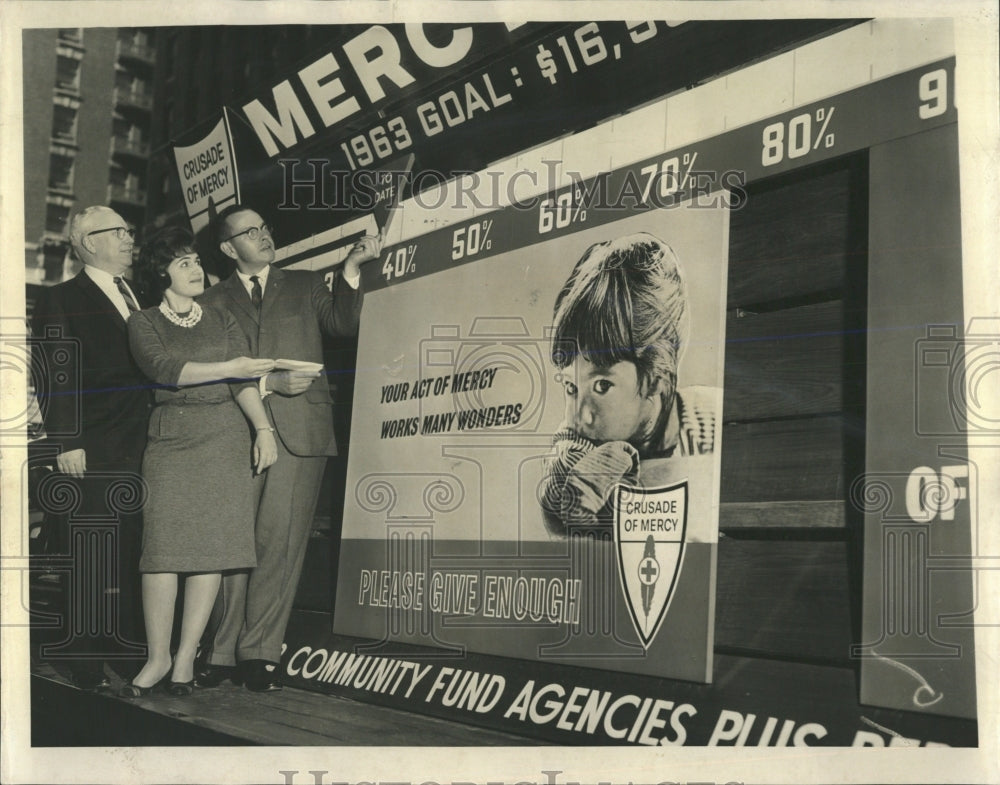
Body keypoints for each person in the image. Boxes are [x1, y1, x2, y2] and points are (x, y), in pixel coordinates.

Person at [196, 204, 381, 691]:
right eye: (249, 231)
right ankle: (219, 652)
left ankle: (259, 653)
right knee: (233, 546)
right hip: (234, 432)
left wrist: (351, 269)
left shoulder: (305, 283)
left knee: (281, 547)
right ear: (227, 247)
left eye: (265, 228)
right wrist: (269, 385)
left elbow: (343, 323)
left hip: (301, 434)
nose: (263, 235)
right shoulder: (210, 301)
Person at [121, 226, 277, 696]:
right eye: (183, 262)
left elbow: (243, 384)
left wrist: (264, 428)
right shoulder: (143, 321)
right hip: (171, 442)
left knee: (211, 551)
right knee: (162, 555)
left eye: (195, 261)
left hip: (223, 439)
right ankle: (158, 656)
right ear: (160, 272)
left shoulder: (221, 317)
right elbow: (167, 371)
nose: (195, 269)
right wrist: (233, 367)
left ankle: (186, 657)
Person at [31, 206, 152, 691]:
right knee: (90, 552)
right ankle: (83, 660)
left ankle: (122, 652)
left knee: (127, 552)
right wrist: (67, 441)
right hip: (92, 447)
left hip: (140, 443)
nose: (128, 239)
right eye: (118, 232)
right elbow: (55, 370)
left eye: (129, 230)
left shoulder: (137, 295)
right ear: (85, 243)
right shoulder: (62, 298)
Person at [540, 232, 718, 531]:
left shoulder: (715, 422)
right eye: (571, 387)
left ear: (655, 380)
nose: (579, 416)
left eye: (601, 386)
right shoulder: (575, 452)